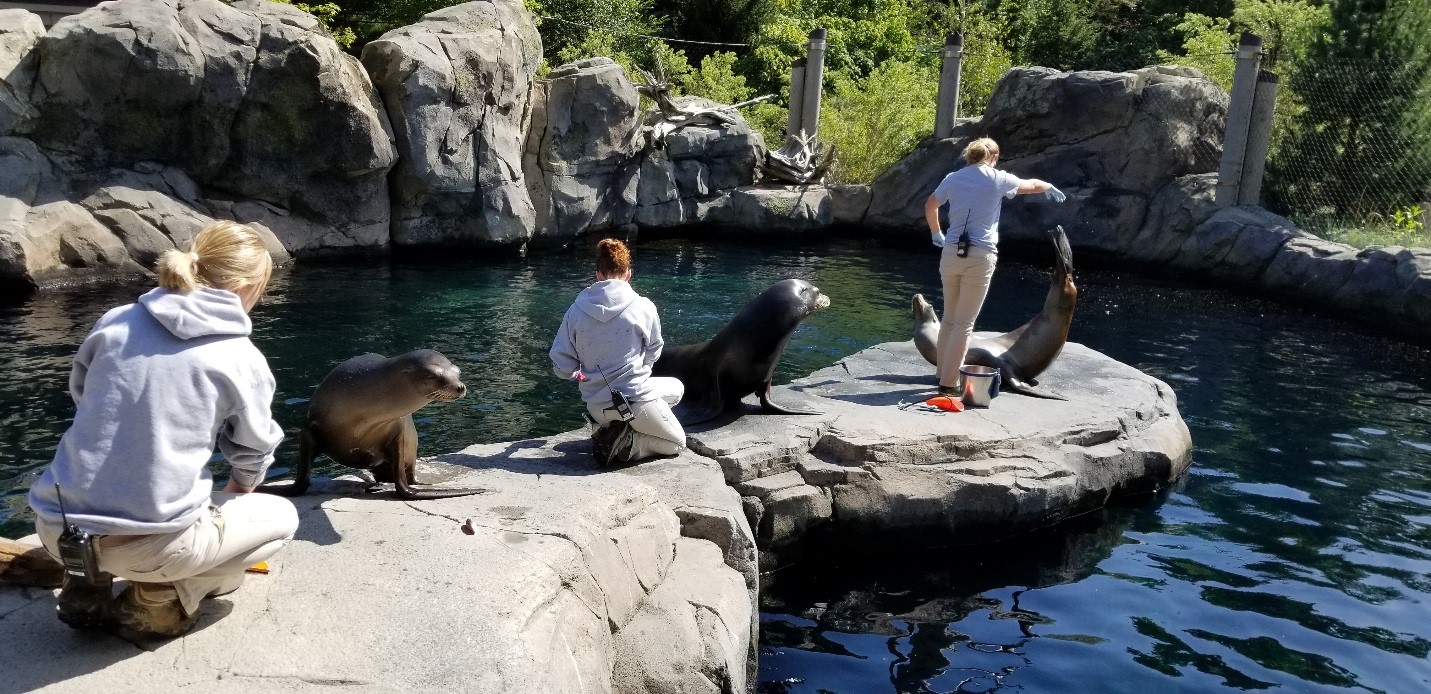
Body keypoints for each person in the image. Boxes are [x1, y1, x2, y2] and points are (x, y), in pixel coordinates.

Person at [28, 221, 298, 638]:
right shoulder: (241, 358)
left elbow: (84, 397)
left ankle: (86, 580)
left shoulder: (114, 322)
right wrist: (238, 493)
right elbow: (254, 451)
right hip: (153, 548)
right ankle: (157, 599)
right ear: (246, 287)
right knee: (281, 518)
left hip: (55, 527)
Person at [924, 137, 1067, 395]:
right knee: (964, 323)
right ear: (993, 156)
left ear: (970, 156)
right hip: (980, 256)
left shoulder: (952, 178)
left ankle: (941, 372)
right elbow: (1031, 185)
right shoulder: (997, 178)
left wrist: (936, 232)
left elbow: (930, 204)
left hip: (950, 253)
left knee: (950, 318)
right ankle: (948, 383)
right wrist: (1048, 186)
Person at [550, 238, 685, 465]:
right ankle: (631, 443)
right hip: (635, 401)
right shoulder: (643, 306)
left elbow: (561, 366)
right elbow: (654, 349)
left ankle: (611, 429)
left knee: (675, 387)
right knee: (677, 443)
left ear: (597, 275)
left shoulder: (575, 311)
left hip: (597, 408)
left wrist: (581, 376)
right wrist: (640, 370)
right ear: (628, 273)